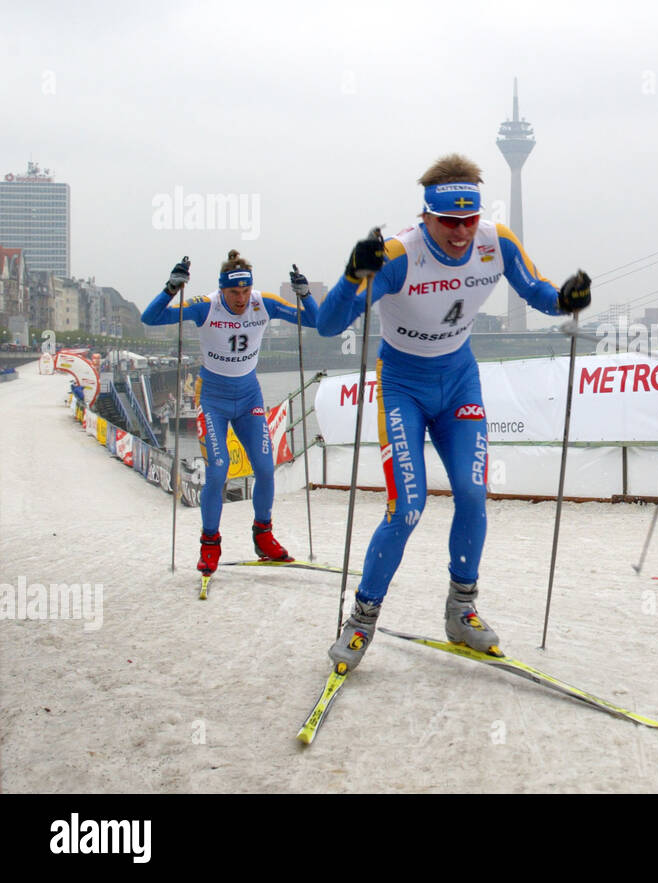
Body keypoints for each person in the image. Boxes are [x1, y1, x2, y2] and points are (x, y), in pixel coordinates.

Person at [318, 153, 591, 670]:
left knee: (472, 492)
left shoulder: (496, 241)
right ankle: (361, 620)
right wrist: (354, 274)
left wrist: (567, 298)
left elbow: (539, 294)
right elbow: (330, 326)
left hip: (460, 381)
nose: (461, 233)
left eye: (469, 220)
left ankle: (461, 610)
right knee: (408, 506)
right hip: (403, 385)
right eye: (448, 222)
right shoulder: (399, 253)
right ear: (426, 216)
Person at [142, 251, 319, 575]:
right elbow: (150, 318)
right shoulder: (205, 305)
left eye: (245, 291)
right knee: (218, 470)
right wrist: (171, 286)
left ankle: (263, 536)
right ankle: (210, 543)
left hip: (249, 394)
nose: (240, 299)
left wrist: (305, 295)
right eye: (233, 293)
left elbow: (316, 322)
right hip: (213, 398)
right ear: (222, 290)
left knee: (265, 469)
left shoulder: (262, 302)